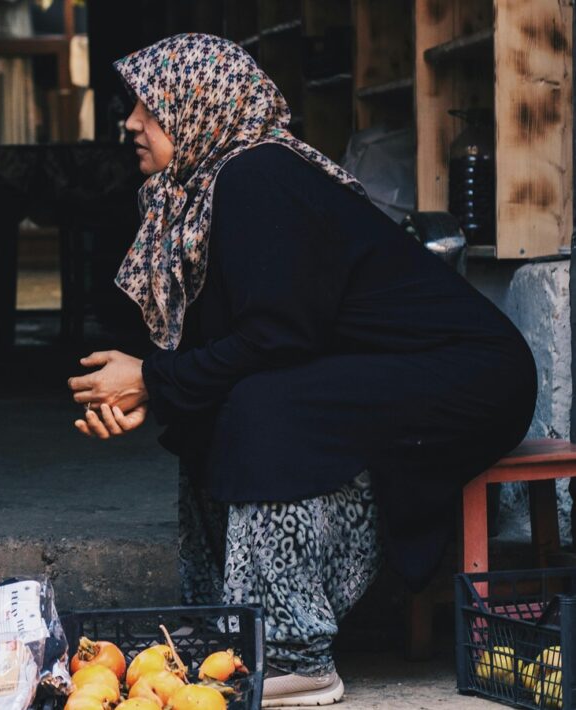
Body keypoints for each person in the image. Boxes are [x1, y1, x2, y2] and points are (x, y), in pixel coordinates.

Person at [67, 34, 535, 706]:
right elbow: (247, 342)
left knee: (267, 409)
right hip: (394, 369)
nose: (131, 123)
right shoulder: (204, 191)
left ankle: (292, 652)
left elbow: (278, 338)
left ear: (201, 105)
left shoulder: (257, 175)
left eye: (150, 106)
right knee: (226, 407)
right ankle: (227, 634)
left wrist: (154, 378)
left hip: (469, 375)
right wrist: (155, 389)